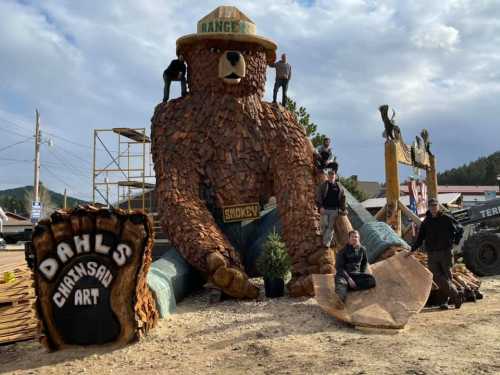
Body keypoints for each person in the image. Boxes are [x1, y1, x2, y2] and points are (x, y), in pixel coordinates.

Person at [408, 198, 463, 310]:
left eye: (435, 205)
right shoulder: (426, 222)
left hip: (445, 252)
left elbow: (460, 229)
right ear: (428, 207)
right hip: (432, 253)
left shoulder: (446, 218)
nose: (433, 207)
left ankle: (445, 302)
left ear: (438, 206)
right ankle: (456, 294)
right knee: (436, 277)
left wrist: (455, 242)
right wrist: (412, 250)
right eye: (431, 205)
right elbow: (420, 238)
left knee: (447, 276)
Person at [334, 230, 376, 308]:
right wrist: (349, 279)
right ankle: (340, 300)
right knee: (341, 283)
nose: (354, 238)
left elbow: (364, 263)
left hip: (356, 275)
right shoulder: (342, 251)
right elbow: (339, 268)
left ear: (359, 238)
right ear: (349, 238)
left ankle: (348, 287)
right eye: (352, 237)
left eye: (356, 237)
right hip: (344, 275)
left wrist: (361, 275)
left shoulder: (362, 250)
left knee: (371, 280)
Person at [316, 169, 347, 248]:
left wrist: (342, 208)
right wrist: (321, 207)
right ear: (327, 176)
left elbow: (343, 198)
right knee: (324, 224)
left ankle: (326, 243)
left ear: (335, 176)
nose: (331, 177)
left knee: (330, 226)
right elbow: (319, 196)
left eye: (333, 176)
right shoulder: (323, 185)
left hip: (334, 209)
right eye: (330, 176)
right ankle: (323, 237)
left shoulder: (339, 186)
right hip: (325, 209)